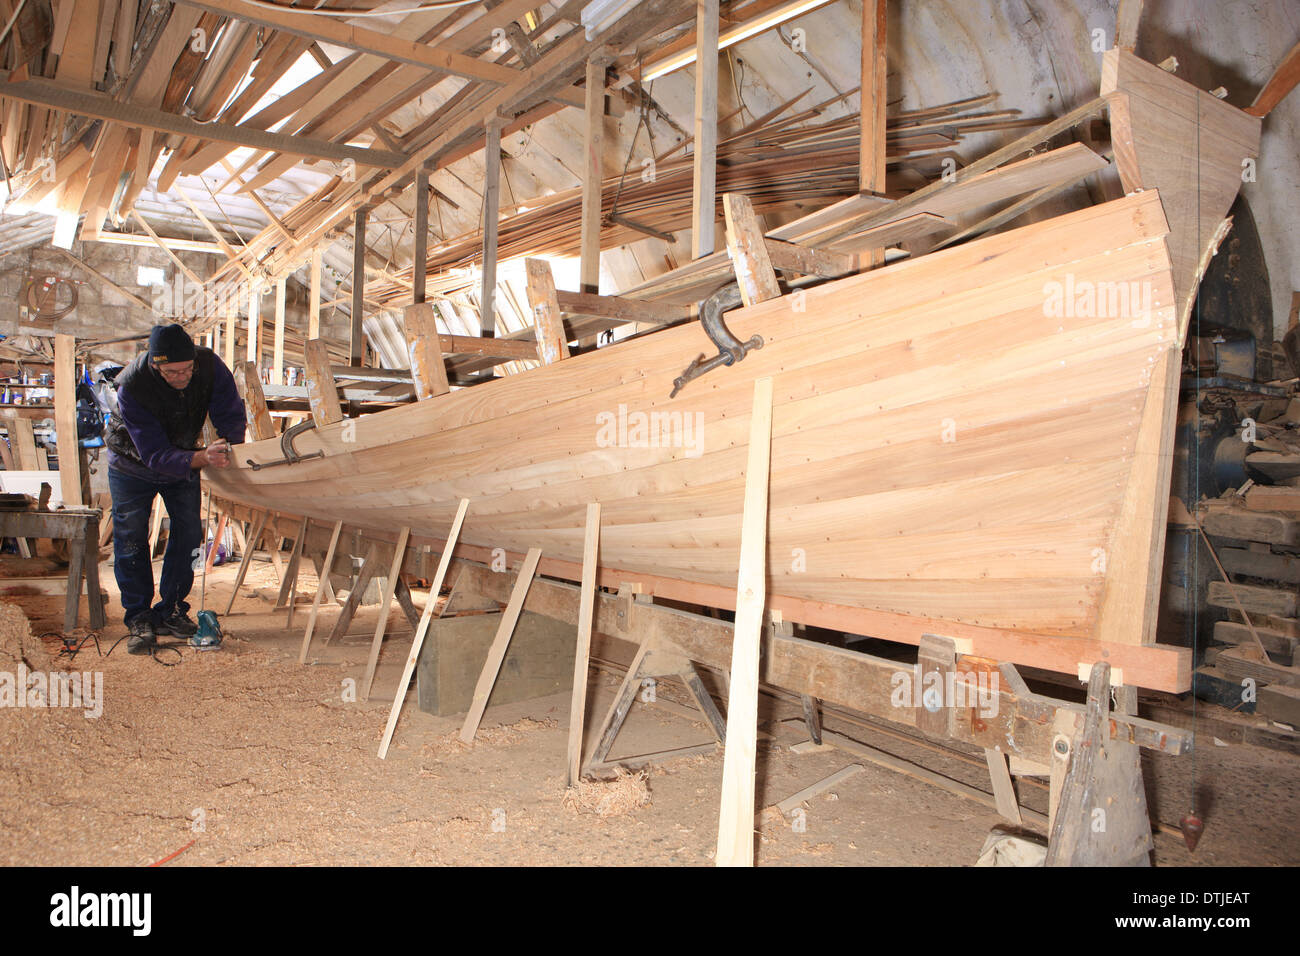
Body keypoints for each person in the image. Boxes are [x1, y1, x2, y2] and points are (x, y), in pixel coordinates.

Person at [105, 324, 246, 654]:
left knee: (188, 535)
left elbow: (229, 410)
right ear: (155, 365)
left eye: (186, 369)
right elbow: (153, 454)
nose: (182, 377)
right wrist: (200, 457)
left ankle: (171, 609)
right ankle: (139, 616)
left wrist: (232, 448)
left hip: (183, 454)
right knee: (131, 538)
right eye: (172, 372)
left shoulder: (208, 366)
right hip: (131, 464)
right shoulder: (132, 386)